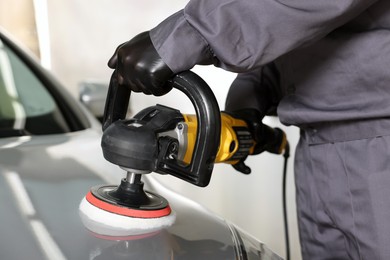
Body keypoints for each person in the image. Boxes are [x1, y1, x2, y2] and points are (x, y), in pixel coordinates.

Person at [108, 1, 390, 259]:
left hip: (378, 144)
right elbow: (304, 29)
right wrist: (252, 96)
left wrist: (184, 35)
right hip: (318, 144)